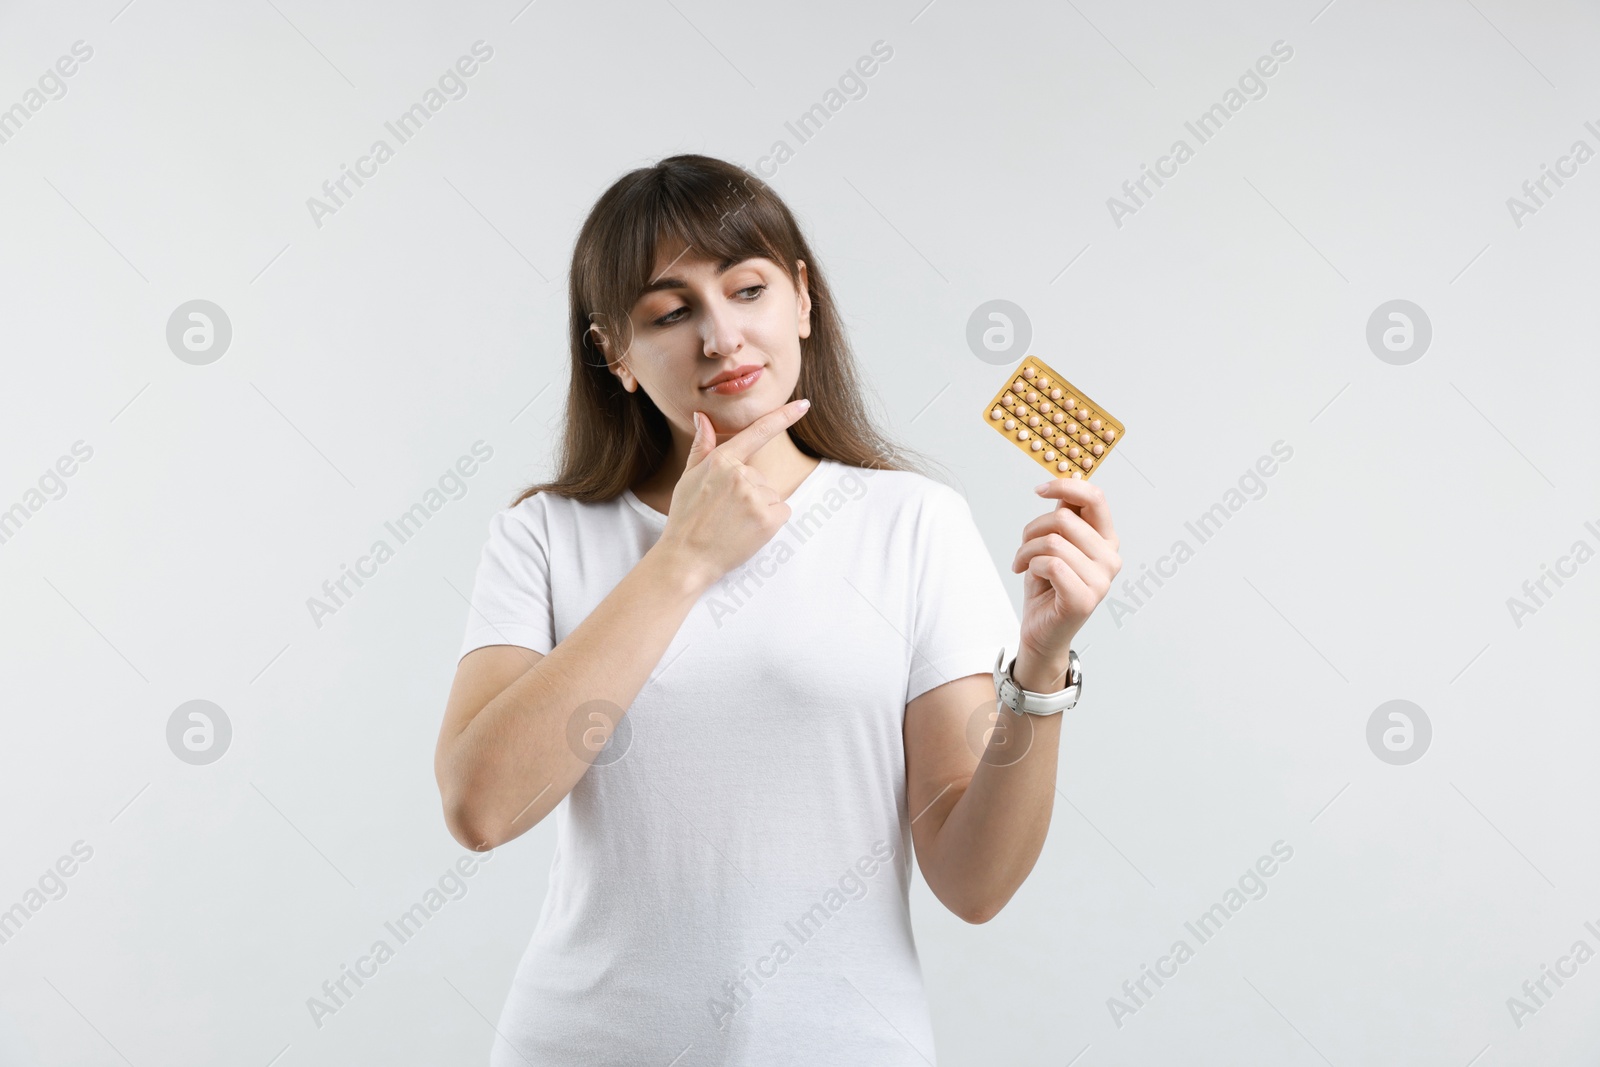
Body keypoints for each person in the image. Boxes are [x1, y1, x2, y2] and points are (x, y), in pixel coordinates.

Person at [432, 154, 1122, 1066]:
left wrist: (1039, 666)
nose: (722, 335)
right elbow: (481, 807)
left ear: (802, 300)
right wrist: (680, 560)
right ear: (616, 355)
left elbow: (974, 879)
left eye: (747, 287)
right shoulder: (546, 536)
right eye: (670, 311)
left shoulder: (911, 523)